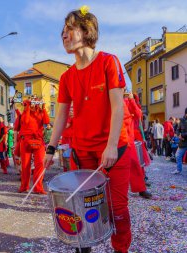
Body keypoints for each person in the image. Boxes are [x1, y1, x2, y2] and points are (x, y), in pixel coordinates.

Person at [43, 7, 132, 253]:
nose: (63, 35)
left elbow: (117, 107)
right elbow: (60, 115)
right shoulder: (66, 77)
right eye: (62, 31)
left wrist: (112, 144)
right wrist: (50, 148)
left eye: (69, 29)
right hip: (82, 152)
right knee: (78, 207)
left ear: (85, 31)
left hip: (114, 149)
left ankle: (121, 249)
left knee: (117, 209)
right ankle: (83, 247)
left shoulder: (108, 61)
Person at [17, 98, 49, 194]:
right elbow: (25, 121)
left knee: (40, 163)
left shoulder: (40, 112)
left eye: (35, 102)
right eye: (32, 102)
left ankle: (38, 188)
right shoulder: (24, 113)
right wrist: (27, 107)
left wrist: (43, 108)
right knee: (25, 165)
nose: (33, 104)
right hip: (26, 140)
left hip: (38, 140)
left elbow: (46, 121)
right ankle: (24, 187)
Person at [172, 108, 187, 174]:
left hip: (184, 138)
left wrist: (182, 135)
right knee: (178, 155)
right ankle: (178, 169)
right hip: (183, 142)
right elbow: (178, 129)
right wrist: (179, 135)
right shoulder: (182, 120)